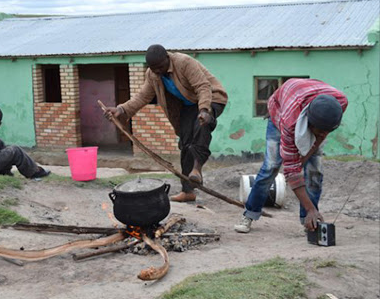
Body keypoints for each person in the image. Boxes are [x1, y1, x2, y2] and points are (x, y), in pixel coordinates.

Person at [104, 44, 228, 202]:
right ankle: (188, 191)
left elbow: (203, 87)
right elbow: (143, 96)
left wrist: (204, 110)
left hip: (211, 98)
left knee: (202, 125)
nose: (157, 71)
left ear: (167, 58)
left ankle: (197, 169)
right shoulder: (153, 74)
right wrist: (121, 110)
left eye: (160, 66)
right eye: (153, 68)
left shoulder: (184, 62)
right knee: (185, 144)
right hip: (189, 105)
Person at [234, 78, 348, 233]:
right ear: (309, 123)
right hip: (280, 112)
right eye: (320, 131)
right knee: (271, 167)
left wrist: (308, 153)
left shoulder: (339, 103)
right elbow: (291, 171)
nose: (324, 134)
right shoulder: (290, 123)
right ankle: (250, 214)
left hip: (299, 96)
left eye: (327, 130)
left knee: (314, 172)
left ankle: (309, 221)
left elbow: (318, 138)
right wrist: (295, 169)